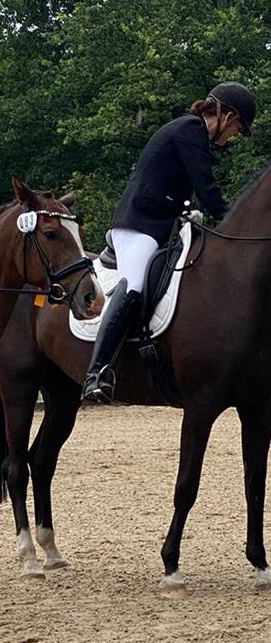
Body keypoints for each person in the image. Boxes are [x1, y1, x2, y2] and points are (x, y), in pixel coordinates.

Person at [83, 81, 256, 403]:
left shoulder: (192, 136)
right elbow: (206, 189)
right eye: (236, 129)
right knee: (133, 285)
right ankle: (97, 371)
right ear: (225, 114)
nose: (233, 137)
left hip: (162, 225)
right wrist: (235, 225)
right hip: (138, 224)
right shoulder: (191, 130)